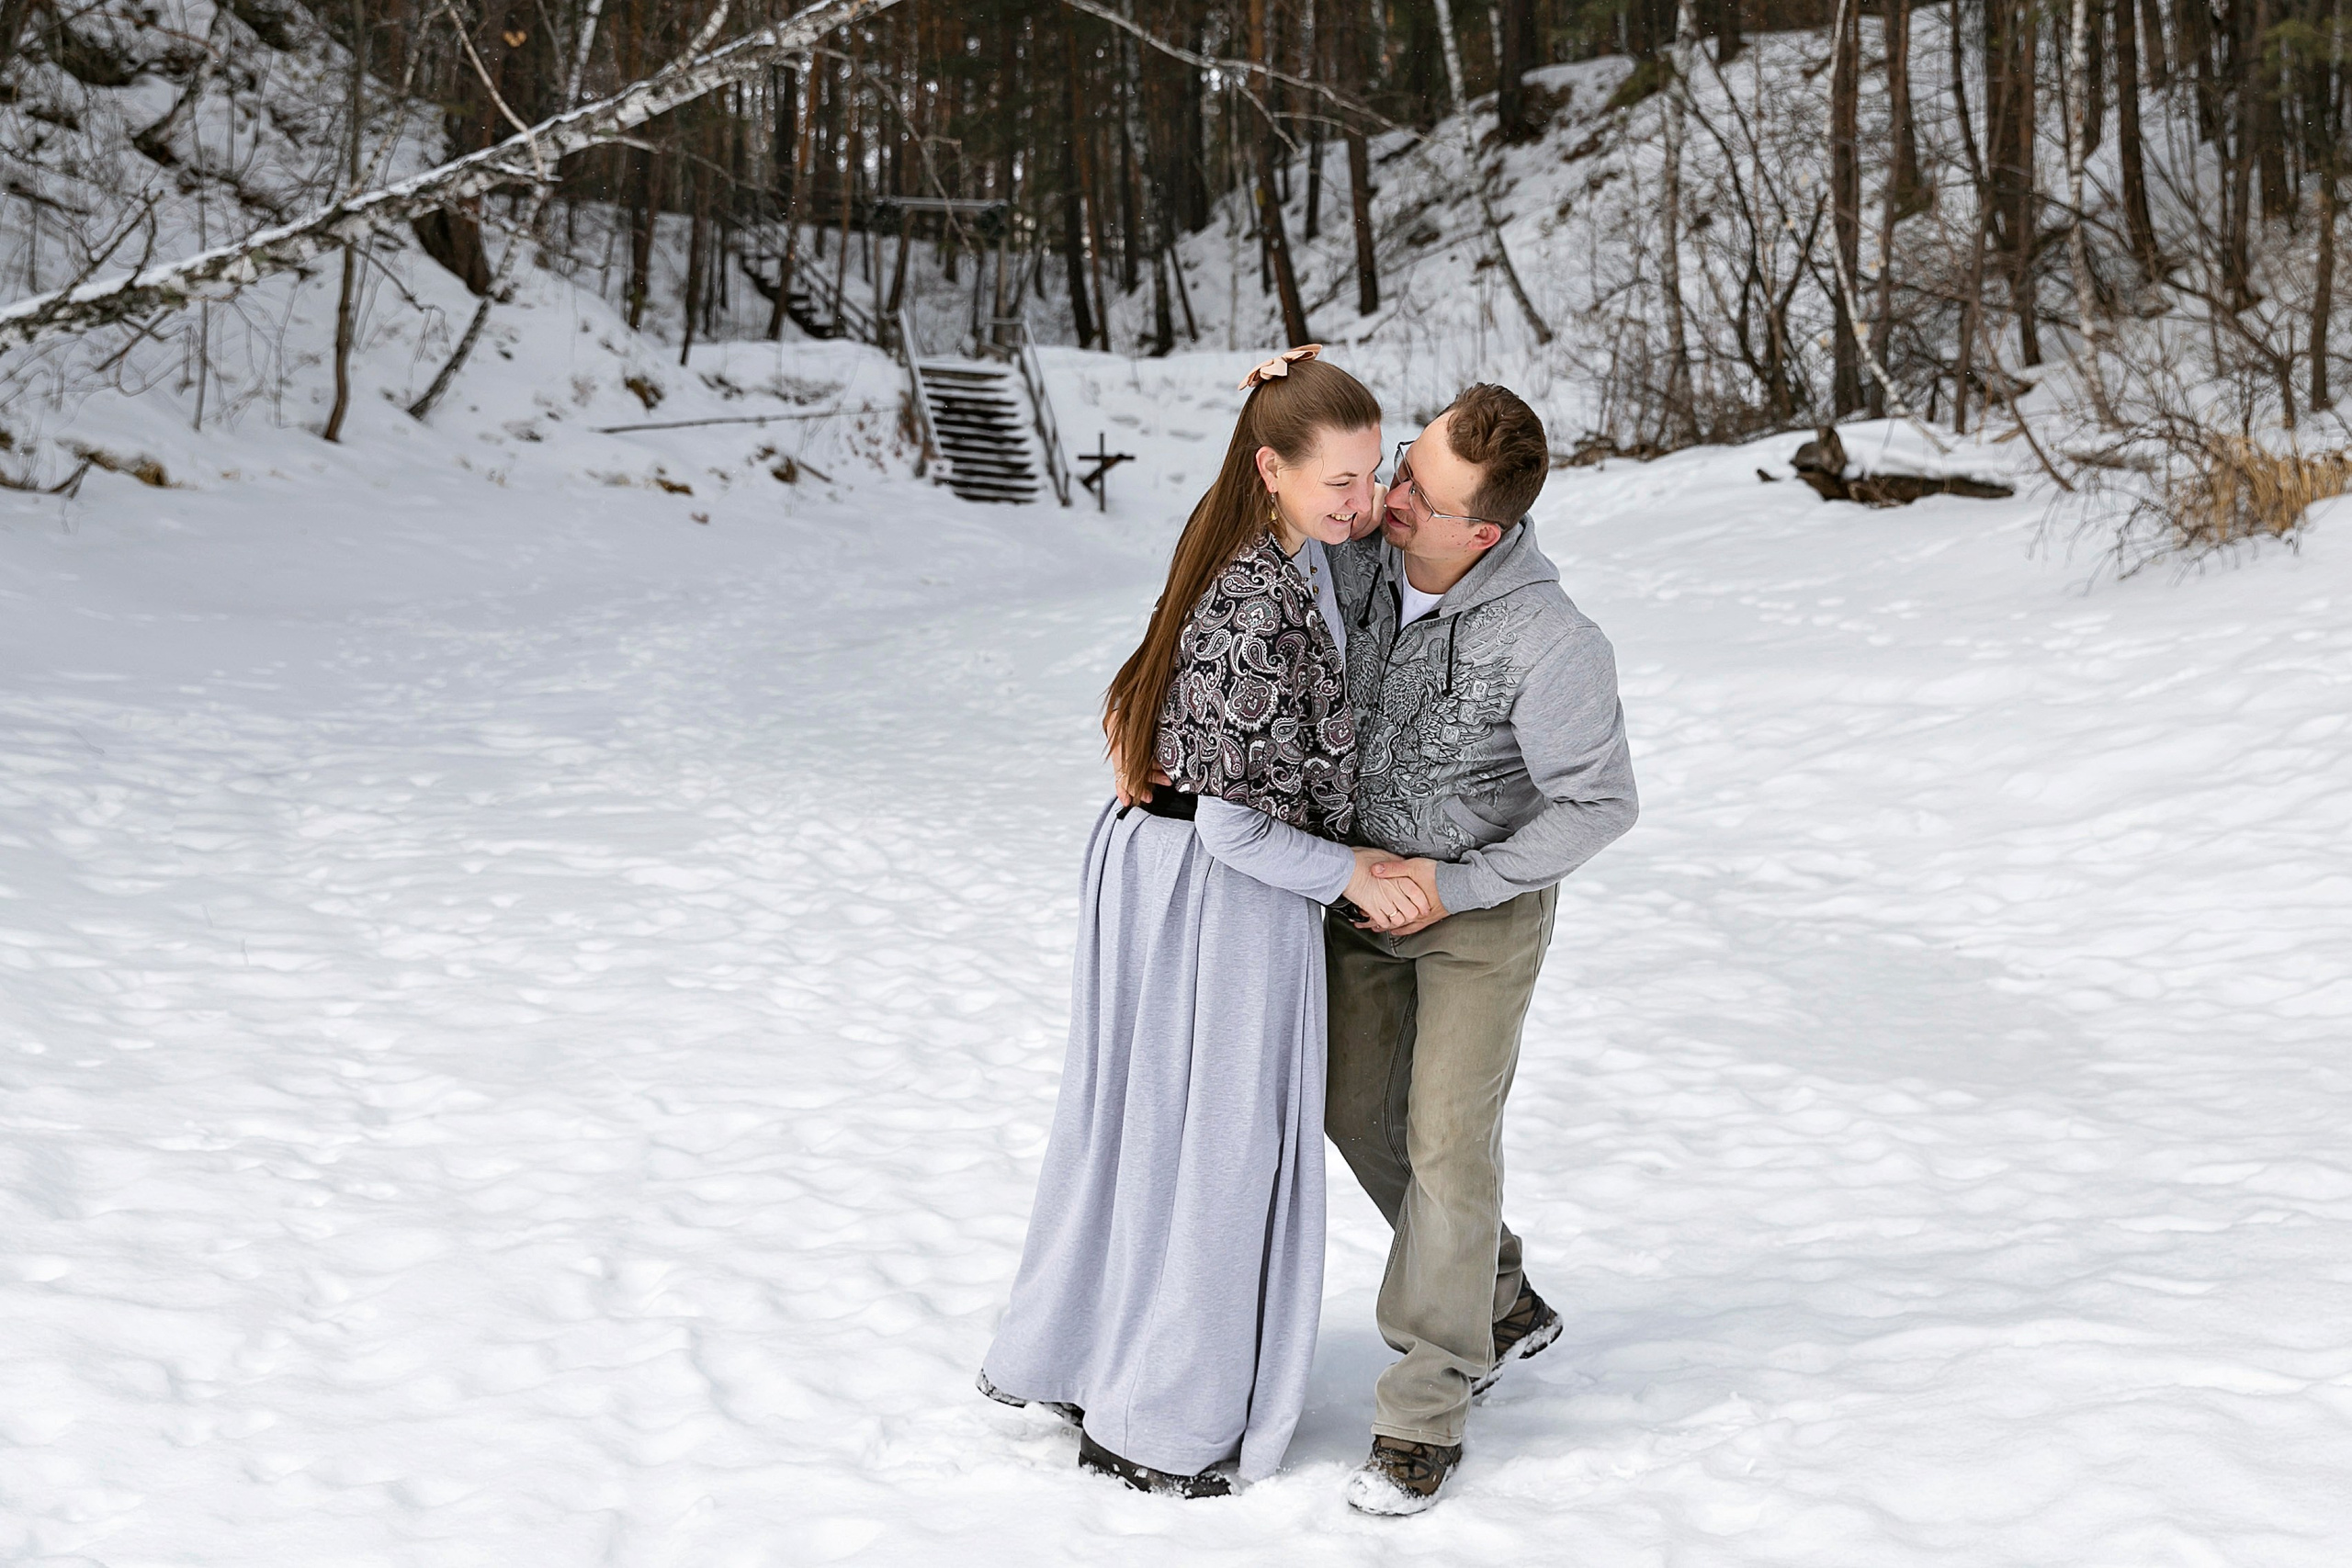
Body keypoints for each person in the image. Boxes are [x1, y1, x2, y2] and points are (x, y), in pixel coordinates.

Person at [977, 348, 1430, 1497]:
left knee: (1157, 1128)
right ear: (1269, 469)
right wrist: (1352, 875)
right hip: (1211, 885)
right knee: (1215, 1144)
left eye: (1372, 473)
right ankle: (1160, 1415)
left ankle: (1090, 1353)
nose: (1362, 502)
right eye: (1339, 480)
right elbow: (1235, 828)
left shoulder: (1286, 542)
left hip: (1180, 871)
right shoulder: (1249, 599)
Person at [1324, 384, 1640, 1515]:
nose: (1393, 498)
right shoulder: (1357, 555)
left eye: (1424, 495)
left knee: (1447, 1142)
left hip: (1479, 919)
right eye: (1404, 466)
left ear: (1486, 532)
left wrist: (1455, 887)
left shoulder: (1553, 643)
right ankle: (1498, 1293)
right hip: (1358, 900)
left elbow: (1599, 805)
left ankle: (1424, 1410)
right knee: (1354, 1115)